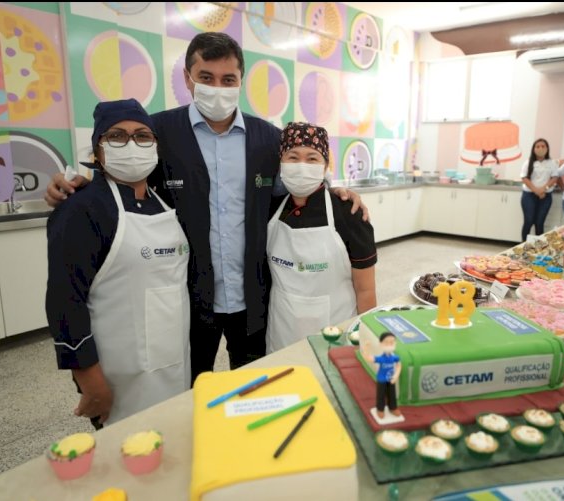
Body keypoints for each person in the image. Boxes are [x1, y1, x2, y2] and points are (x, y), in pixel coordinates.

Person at [46, 33, 366, 381]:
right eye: (206, 78)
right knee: (188, 387)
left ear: (240, 81)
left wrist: (337, 192)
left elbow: (298, 182)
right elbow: (126, 173)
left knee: (255, 384)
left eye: (228, 80)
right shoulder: (160, 133)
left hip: (254, 297)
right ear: (188, 78)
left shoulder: (267, 139)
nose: (218, 87)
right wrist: (79, 184)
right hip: (189, 298)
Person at [46, 99, 190, 427]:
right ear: (98, 151)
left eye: (142, 136)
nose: (132, 145)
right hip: (119, 370)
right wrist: (88, 378)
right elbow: (65, 301)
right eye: (117, 137)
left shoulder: (161, 201)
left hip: (173, 357)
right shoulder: (81, 209)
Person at [266, 122, 377, 353]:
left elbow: (365, 290)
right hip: (281, 332)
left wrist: (365, 340)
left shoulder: (349, 214)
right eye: (293, 157)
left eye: (312, 158)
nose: (301, 166)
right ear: (281, 162)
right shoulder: (271, 209)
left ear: (325, 165)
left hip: (333, 335)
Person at [520, 138, 559, 241]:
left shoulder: (552, 163)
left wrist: (543, 189)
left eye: (543, 146)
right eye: (538, 146)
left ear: (547, 149)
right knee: (528, 221)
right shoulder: (528, 162)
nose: (540, 148)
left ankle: (538, 248)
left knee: (539, 222)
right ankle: (523, 246)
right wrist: (537, 191)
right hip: (529, 195)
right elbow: (524, 178)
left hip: (545, 196)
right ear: (533, 149)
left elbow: (555, 177)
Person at [360, 332, 402, 419]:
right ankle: (380, 409)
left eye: (392, 342)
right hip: (382, 379)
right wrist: (366, 348)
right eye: (387, 342)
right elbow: (368, 358)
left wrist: (396, 375)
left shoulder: (395, 357)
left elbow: (399, 365)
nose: (390, 344)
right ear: (381, 344)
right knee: (381, 395)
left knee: (392, 394)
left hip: (391, 378)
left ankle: (393, 407)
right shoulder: (381, 358)